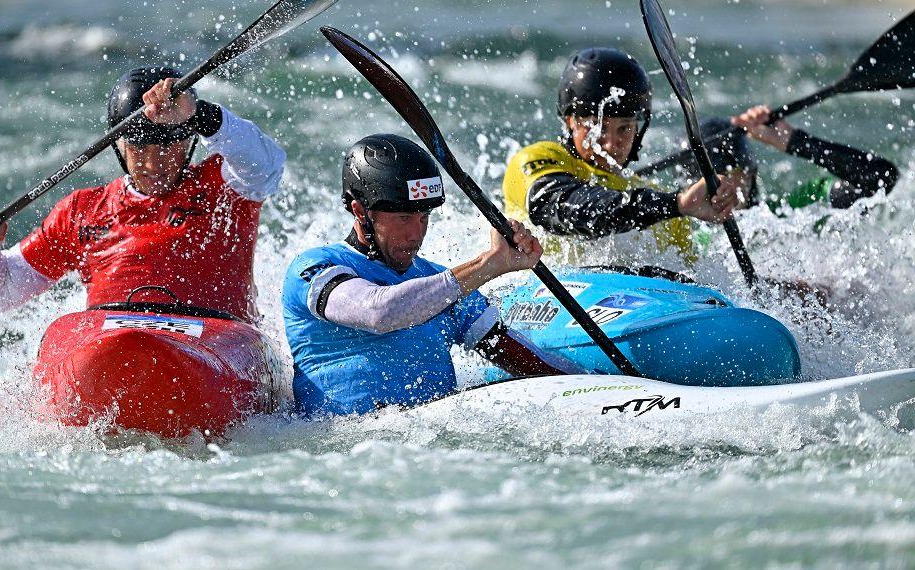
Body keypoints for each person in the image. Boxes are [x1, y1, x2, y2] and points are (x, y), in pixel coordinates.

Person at [0, 66, 286, 321]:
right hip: (118, 351)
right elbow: (1, 294)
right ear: (119, 146)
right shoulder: (81, 211)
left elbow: (267, 165)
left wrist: (198, 114)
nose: (154, 162)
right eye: (140, 149)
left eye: (168, 146)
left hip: (215, 347)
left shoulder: (226, 186)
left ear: (188, 143)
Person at [282, 133, 572, 416]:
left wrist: (598, 381)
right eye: (404, 218)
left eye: (424, 217)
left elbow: (529, 361)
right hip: (344, 451)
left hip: (432, 453)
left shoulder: (440, 281)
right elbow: (379, 313)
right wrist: (487, 265)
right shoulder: (314, 268)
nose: (415, 234)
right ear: (360, 211)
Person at [502, 47, 740, 264]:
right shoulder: (535, 159)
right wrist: (674, 204)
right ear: (570, 121)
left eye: (624, 128)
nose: (609, 143)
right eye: (598, 127)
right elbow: (563, 208)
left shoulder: (665, 208)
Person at [669, 106, 899, 214]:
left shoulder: (789, 215)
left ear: (750, 176)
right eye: (709, 181)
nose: (722, 188)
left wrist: (794, 142)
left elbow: (880, 178)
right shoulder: (680, 236)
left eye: (732, 175)